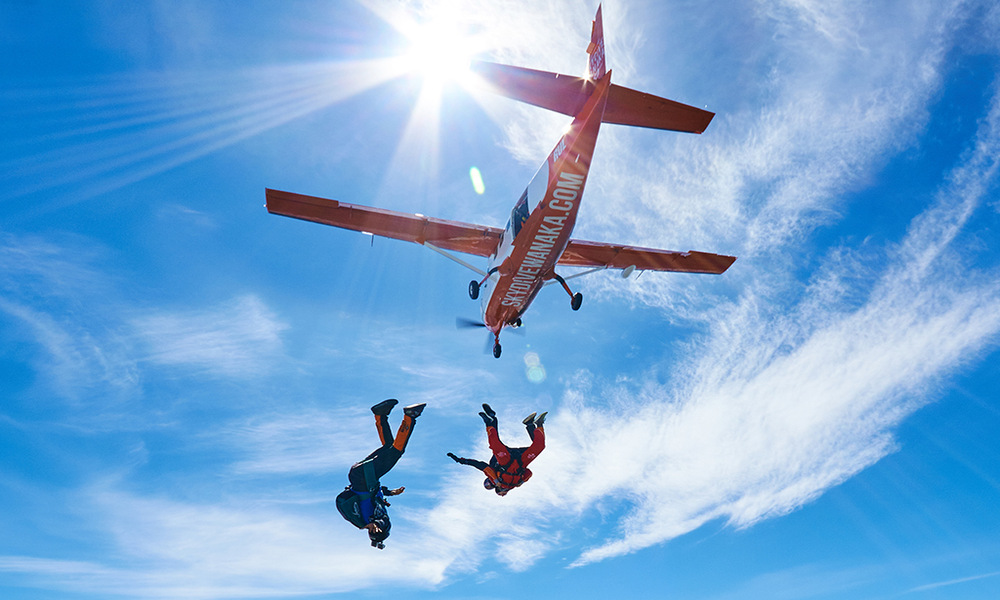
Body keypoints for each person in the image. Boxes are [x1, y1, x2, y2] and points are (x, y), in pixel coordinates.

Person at [336, 399, 425, 549]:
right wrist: (390, 492)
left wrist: (369, 524)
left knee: (397, 451)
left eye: (376, 528)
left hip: (363, 477)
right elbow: (376, 495)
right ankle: (380, 414)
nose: (382, 523)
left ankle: (410, 416)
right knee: (390, 447)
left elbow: (378, 520)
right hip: (360, 475)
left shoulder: (364, 520)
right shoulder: (376, 507)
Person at [447, 403, 545, 496]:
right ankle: (533, 424)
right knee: (539, 447)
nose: (503, 493)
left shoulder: (496, 478)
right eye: (490, 484)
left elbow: (481, 466)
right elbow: (529, 472)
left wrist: (461, 461)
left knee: (495, 445)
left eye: (489, 482)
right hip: (521, 461)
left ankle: (490, 421)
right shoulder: (515, 484)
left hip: (505, 461)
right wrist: (522, 481)